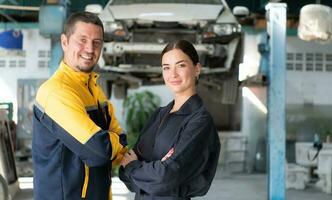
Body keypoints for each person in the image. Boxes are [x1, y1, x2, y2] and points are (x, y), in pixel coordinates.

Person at [32, 12, 127, 200]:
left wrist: (111, 143)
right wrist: (110, 143)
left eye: (96, 42)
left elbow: (120, 140)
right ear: (65, 42)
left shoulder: (94, 89)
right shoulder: (55, 92)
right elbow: (100, 151)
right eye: (82, 40)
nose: (90, 49)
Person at [119, 40, 221, 200]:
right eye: (166, 67)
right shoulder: (158, 114)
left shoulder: (199, 121)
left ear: (197, 69)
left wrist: (135, 168)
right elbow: (125, 172)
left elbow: (166, 177)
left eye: (181, 66)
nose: (172, 74)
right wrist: (144, 172)